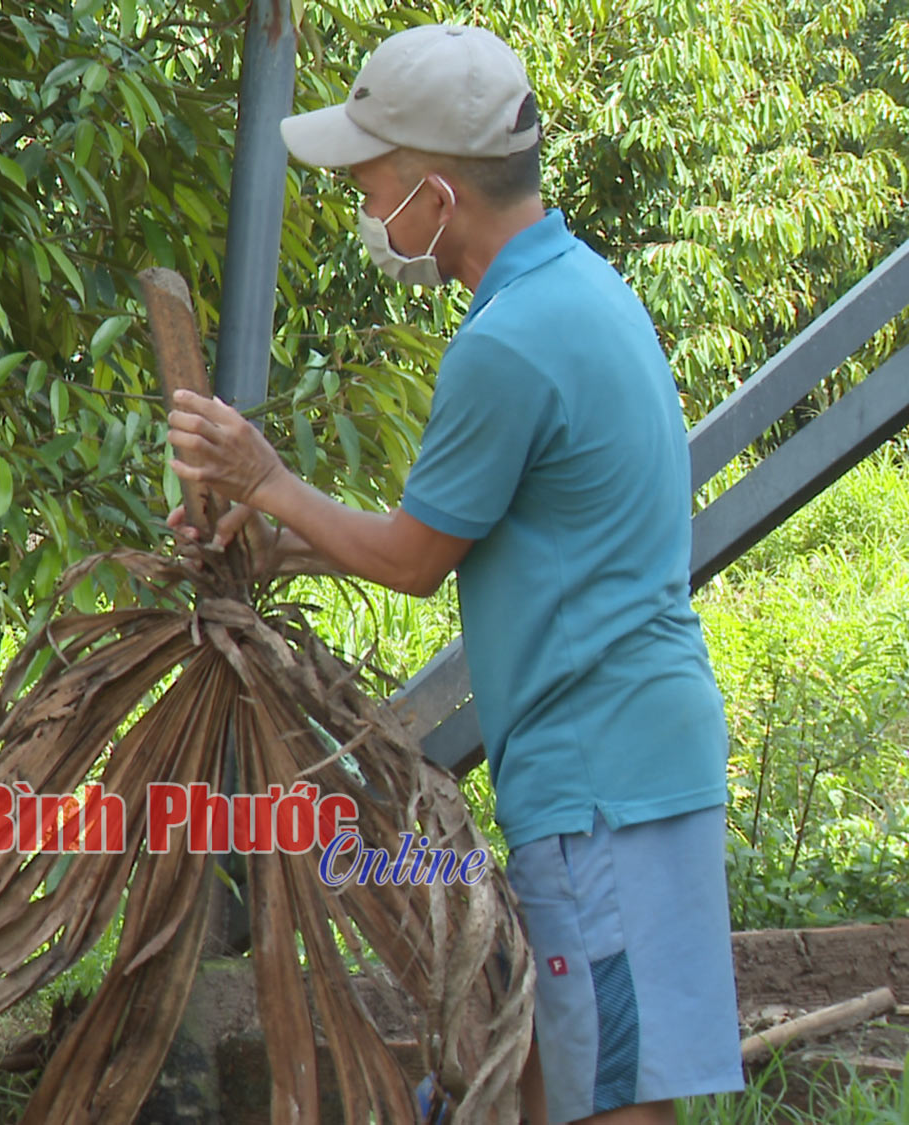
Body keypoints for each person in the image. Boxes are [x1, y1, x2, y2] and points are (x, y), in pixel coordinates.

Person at [165, 25, 742, 1125]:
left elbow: (415, 560)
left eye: (370, 184)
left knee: (608, 1095)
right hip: (620, 761)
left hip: (599, 778)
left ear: (433, 193)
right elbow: (450, 529)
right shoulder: (573, 291)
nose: (363, 211)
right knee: (536, 1071)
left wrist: (268, 478)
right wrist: (267, 529)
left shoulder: (510, 339)